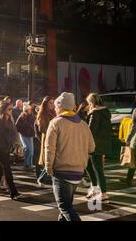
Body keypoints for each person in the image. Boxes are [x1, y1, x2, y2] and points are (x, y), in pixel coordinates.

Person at [45, 92, 95, 221]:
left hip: (61, 170)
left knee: (65, 207)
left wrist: (48, 166)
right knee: (67, 206)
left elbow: (50, 148)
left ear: (60, 107)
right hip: (78, 171)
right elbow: (92, 147)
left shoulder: (56, 122)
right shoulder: (83, 125)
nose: (55, 109)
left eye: (56, 106)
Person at [0, 101, 21, 200]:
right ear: (3, 110)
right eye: (9, 109)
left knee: (0, 169)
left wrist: (13, 143)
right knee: (7, 169)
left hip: (6, 147)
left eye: (11, 109)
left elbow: (11, 134)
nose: (11, 111)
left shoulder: (9, 120)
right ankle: (13, 192)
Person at [84, 93, 112, 202]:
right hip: (102, 144)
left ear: (92, 103)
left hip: (94, 145)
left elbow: (90, 131)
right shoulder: (105, 112)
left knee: (96, 169)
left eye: (89, 103)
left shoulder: (95, 114)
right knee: (91, 167)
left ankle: (103, 193)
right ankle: (95, 189)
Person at [35, 96, 56, 186]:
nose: (52, 105)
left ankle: (42, 178)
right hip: (47, 138)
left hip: (54, 137)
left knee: (53, 159)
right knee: (49, 159)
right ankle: (42, 178)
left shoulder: (53, 112)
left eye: (53, 103)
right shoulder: (43, 113)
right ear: (46, 104)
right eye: (50, 103)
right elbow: (41, 128)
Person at [16, 103, 36, 170]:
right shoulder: (21, 116)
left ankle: (29, 165)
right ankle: (26, 164)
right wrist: (23, 130)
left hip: (30, 135)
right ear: (26, 110)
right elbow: (17, 126)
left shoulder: (32, 116)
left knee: (31, 151)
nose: (31, 110)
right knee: (27, 149)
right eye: (29, 109)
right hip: (24, 135)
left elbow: (35, 124)